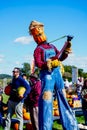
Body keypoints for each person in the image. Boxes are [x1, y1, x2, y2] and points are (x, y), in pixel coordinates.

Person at [28, 20, 79, 130]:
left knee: (63, 98)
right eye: (37, 35)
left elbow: (60, 58)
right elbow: (38, 64)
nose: (40, 37)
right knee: (46, 102)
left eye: (41, 34)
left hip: (57, 74)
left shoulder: (52, 45)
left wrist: (66, 49)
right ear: (34, 37)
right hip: (47, 76)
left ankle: (71, 126)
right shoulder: (38, 50)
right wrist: (48, 63)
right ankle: (46, 128)